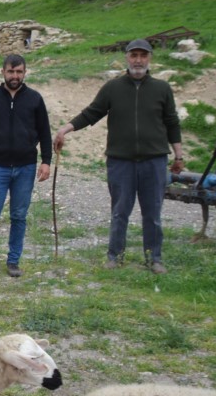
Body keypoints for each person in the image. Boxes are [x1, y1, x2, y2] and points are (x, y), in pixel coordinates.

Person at [54, 39, 184, 274]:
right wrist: (65, 129)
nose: (138, 60)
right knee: (119, 212)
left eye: (143, 56)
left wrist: (179, 156)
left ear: (149, 58)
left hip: (154, 161)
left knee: (153, 214)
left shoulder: (162, 89)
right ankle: (115, 256)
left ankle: (154, 259)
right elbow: (91, 113)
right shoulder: (112, 88)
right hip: (120, 161)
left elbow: (172, 122)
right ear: (126, 57)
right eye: (133, 55)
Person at [0, 54, 52, 278]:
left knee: (19, 216)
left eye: (19, 72)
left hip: (26, 167)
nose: (15, 76)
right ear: (2, 72)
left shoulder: (35, 99)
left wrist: (46, 161)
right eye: (11, 71)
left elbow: (45, 131)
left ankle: (13, 261)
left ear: (25, 73)